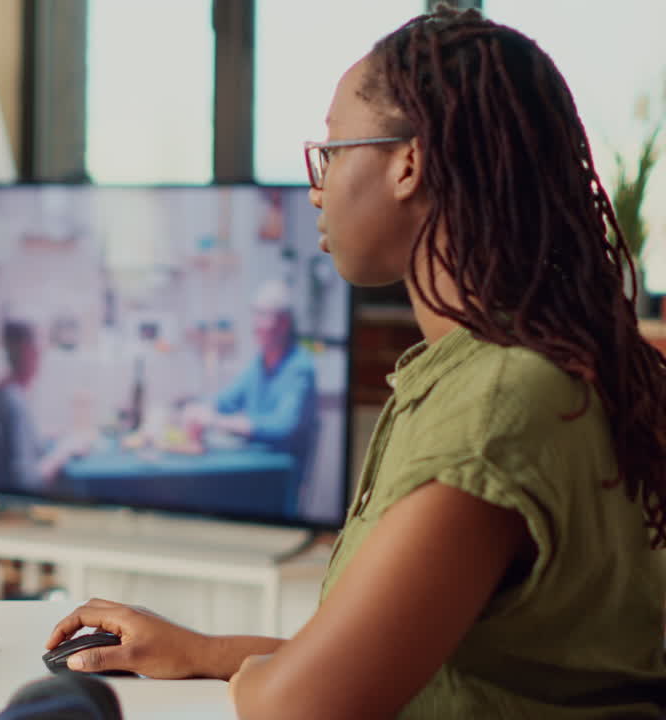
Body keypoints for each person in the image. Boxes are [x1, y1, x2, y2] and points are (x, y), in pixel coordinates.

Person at [44, 7, 666, 718]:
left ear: (409, 163)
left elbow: (301, 707)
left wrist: (260, 683)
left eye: (332, 151)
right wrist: (203, 650)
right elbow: (435, 667)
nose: (317, 187)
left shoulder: (499, 402)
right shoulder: (526, 367)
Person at [181, 280, 319, 515]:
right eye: (255, 315)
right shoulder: (259, 363)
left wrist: (216, 421)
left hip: (278, 481)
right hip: (251, 472)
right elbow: (225, 401)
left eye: (263, 316)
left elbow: (283, 426)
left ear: (284, 322)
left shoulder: (300, 368)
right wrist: (198, 409)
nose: (256, 325)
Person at [0, 321, 87, 493]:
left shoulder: (2, 390)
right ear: (26, 351)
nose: (40, 357)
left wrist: (47, 438)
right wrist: (64, 453)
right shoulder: (14, 403)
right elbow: (27, 481)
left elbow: (17, 449)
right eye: (37, 351)